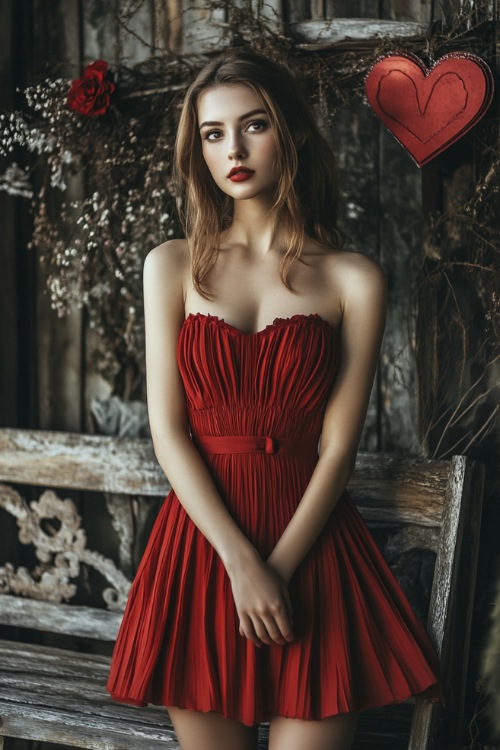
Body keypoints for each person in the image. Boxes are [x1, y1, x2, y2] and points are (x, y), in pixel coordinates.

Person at [107, 49, 440, 750]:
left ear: (288, 132)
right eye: (213, 132)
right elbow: (168, 433)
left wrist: (278, 570)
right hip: (203, 550)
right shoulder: (171, 265)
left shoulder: (353, 279)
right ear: (198, 149)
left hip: (314, 557)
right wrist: (242, 564)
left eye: (253, 126)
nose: (233, 148)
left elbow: (338, 449)